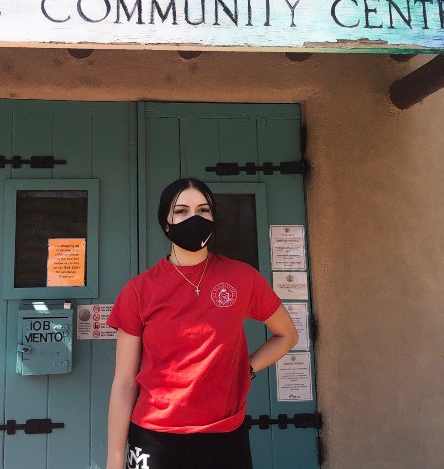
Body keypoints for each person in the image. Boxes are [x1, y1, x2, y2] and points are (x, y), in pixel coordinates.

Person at [106, 178, 300, 469]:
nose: (194, 218)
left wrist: (245, 368)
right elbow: (123, 383)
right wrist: (114, 458)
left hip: (225, 436)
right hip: (154, 437)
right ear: (166, 222)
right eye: (181, 210)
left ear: (213, 218)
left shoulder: (243, 278)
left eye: (203, 209)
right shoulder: (139, 290)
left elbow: (287, 335)